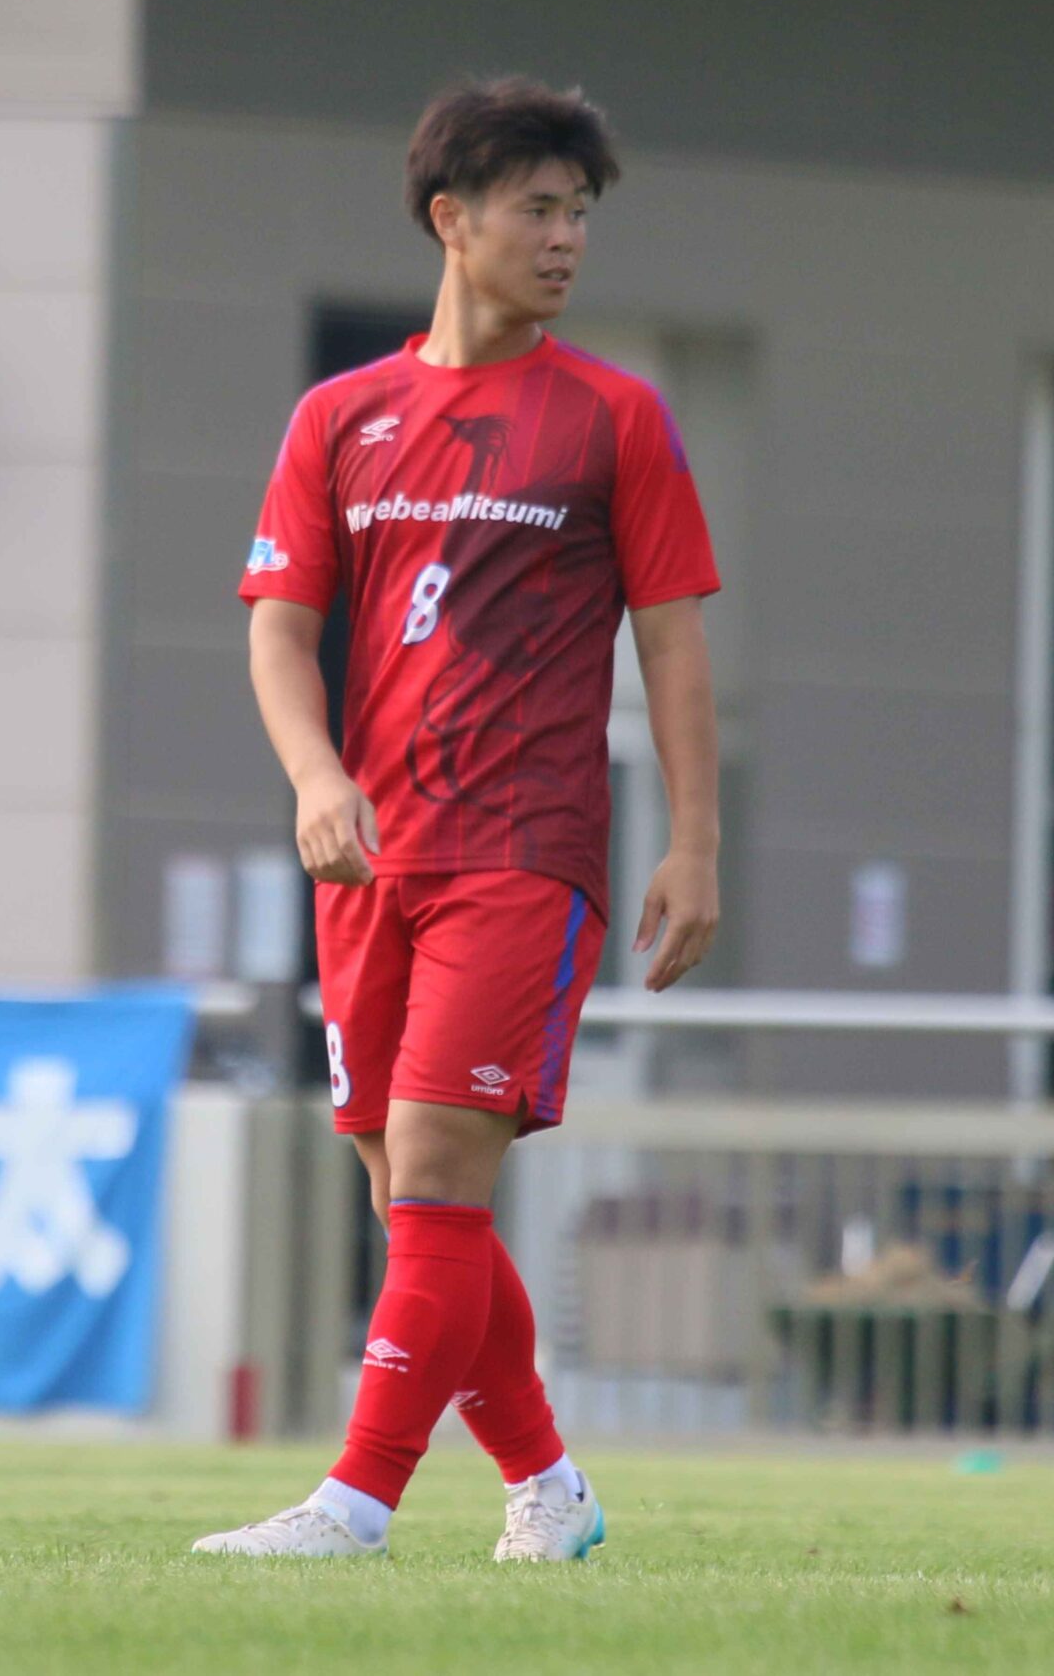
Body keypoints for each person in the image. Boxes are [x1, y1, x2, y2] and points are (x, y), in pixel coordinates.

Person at [196, 79, 723, 1562]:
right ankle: (549, 1487)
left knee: (433, 1176)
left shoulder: (614, 416)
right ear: (451, 219)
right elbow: (279, 631)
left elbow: (674, 641)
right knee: (414, 1203)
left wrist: (695, 842)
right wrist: (317, 777)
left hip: (524, 849)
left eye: (579, 214)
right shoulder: (338, 416)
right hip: (371, 858)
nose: (566, 240)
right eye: (537, 210)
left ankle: (353, 1505)